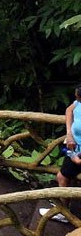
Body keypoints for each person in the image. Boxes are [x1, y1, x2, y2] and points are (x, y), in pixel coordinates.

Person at [40, 85, 81, 223]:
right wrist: (69, 133)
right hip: (74, 148)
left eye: (78, 97)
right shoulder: (78, 104)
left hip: (78, 153)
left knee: (63, 177)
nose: (76, 99)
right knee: (62, 177)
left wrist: (76, 157)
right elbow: (69, 110)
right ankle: (63, 209)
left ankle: (64, 211)